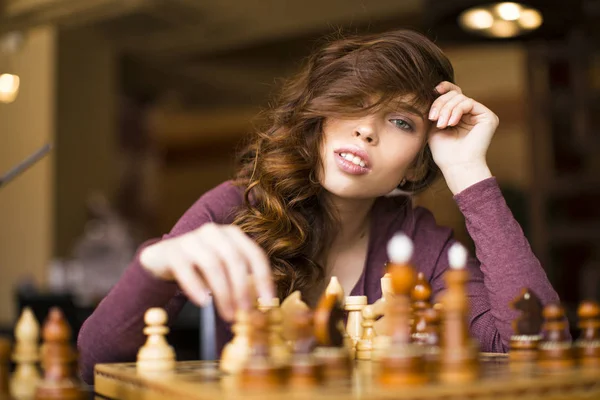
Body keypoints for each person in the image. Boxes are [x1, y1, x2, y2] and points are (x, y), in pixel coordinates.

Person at [77, 29, 562, 383]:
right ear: (320, 117)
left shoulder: (420, 244)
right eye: (354, 103)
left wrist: (467, 170)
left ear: (416, 164)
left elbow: (532, 346)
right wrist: (155, 264)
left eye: (400, 121)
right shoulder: (232, 209)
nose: (367, 129)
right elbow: (92, 360)